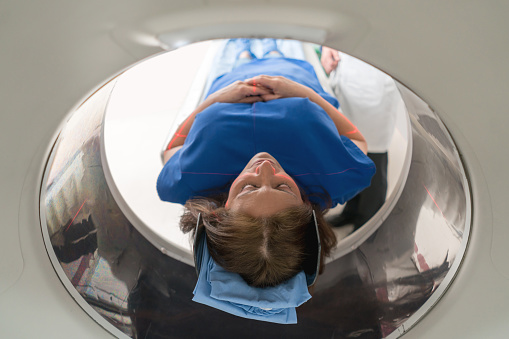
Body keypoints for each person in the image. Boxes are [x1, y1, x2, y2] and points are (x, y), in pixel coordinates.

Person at [156, 39, 375, 323]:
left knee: (237, 43)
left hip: (231, 74)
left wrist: (215, 100)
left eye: (249, 187)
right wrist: (303, 93)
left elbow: (169, 151)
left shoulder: (193, 180)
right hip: (292, 71)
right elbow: (358, 139)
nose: (265, 167)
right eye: (284, 186)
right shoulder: (332, 178)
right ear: (305, 206)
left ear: (219, 214)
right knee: (279, 42)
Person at [321, 46, 401, 230]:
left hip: (375, 78)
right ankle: (352, 210)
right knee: (352, 152)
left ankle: (369, 222)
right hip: (348, 69)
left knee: (373, 157)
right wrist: (327, 46)